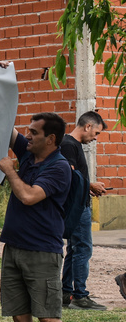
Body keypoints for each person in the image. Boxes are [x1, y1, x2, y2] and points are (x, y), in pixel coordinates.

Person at [0, 112, 88, 322]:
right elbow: (5, 127)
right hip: (13, 248)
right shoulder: (28, 154)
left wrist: (10, 171)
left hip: (42, 252)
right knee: (20, 316)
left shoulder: (59, 167)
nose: (28, 135)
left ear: (50, 139)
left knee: (48, 318)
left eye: (34, 132)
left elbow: (29, 196)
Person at [60, 111, 108, 310]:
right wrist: (90, 186)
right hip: (77, 208)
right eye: (96, 133)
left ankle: (65, 293)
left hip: (78, 206)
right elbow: (70, 177)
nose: (95, 138)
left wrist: (90, 185)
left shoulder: (72, 144)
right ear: (87, 126)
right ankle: (80, 295)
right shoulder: (69, 145)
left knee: (74, 249)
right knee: (83, 249)